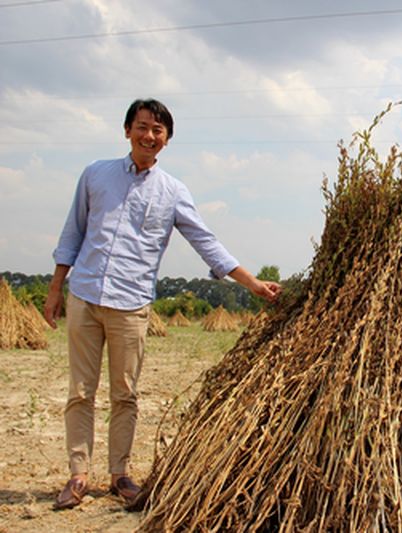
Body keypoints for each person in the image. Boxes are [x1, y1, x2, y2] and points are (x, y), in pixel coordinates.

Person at [44, 98, 282, 511]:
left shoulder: (173, 192)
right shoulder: (95, 175)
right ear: (126, 130)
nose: (148, 135)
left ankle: (119, 474)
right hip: (84, 295)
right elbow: (73, 233)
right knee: (80, 392)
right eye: (142, 126)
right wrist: (55, 289)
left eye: (158, 130)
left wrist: (251, 283)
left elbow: (206, 242)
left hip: (132, 304)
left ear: (167, 140)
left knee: (125, 393)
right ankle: (78, 474)